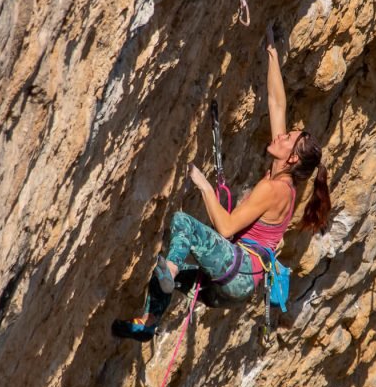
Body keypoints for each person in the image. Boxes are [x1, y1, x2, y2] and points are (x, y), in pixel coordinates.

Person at [112, 25, 331, 341]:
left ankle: (168, 274)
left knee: (182, 225)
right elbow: (277, 103)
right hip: (235, 286)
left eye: (288, 138)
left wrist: (205, 188)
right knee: (162, 278)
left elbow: (226, 228)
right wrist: (271, 51)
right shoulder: (284, 180)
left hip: (237, 270)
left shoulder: (273, 189)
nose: (281, 135)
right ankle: (147, 322)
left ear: (293, 158)